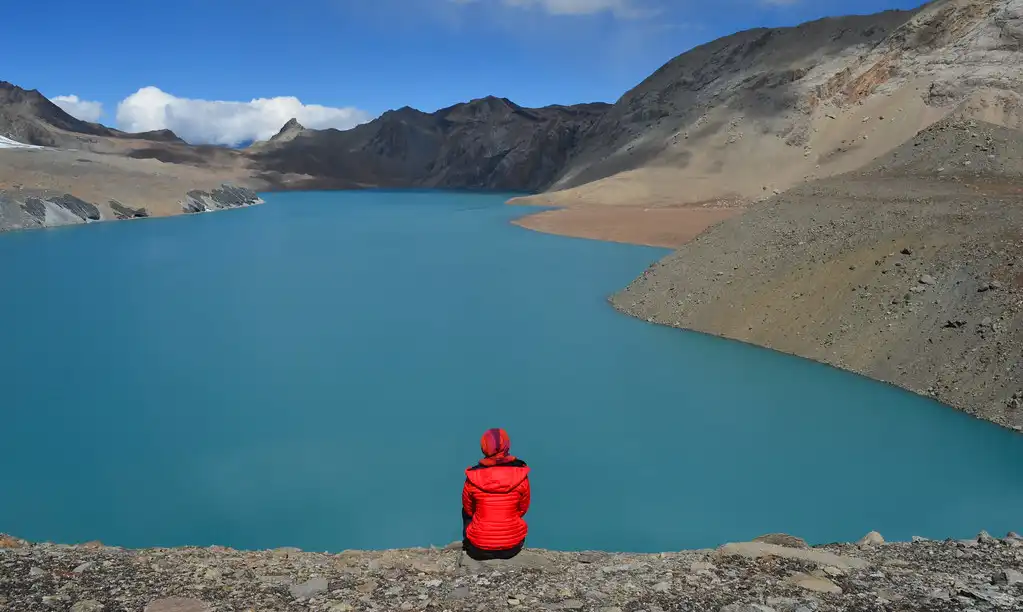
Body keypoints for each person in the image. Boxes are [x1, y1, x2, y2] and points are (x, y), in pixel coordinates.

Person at [461, 428, 531, 560]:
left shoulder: (473, 476)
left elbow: (470, 510)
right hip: (512, 548)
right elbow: (523, 509)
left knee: (466, 510)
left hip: (479, 549)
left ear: (484, 447)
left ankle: (469, 541)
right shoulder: (520, 474)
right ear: (506, 446)